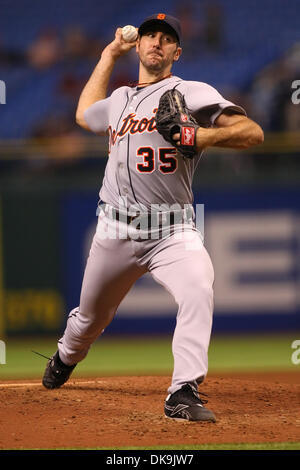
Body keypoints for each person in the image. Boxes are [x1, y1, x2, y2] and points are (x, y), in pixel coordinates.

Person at [42, 13, 264, 422]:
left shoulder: (190, 91)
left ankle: (183, 391)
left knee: (198, 286)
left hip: (172, 230)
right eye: (149, 36)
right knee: (89, 319)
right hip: (115, 229)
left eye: (166, 38)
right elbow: (83, 113)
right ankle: (66, 355)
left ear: (176, 52)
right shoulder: (120, 100)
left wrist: (200, 134)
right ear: (138, 46)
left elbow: (252, 132)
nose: (156, 42)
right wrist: (109, 53)